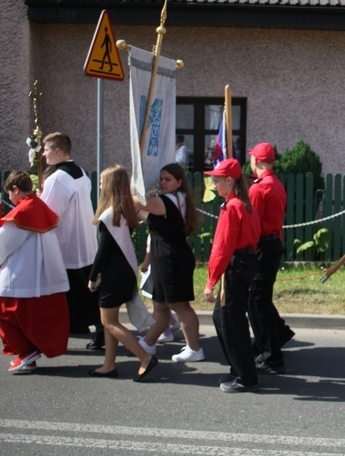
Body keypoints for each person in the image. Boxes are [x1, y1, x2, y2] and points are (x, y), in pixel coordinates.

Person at [0, 171, 70, 373]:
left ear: (15, 189)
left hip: (21, 273)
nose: (9, 198)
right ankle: (29, 353)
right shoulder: (41, 207)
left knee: (3, 312)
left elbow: (2, 244)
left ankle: (26, 352)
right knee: (37, 317)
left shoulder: (21, 212)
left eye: (9, 193)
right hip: (45, 274)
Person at [88, 165, 158, 381]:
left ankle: (144, 357)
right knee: (111, 322)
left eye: (102, 182)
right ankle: (109, 365)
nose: (99, 185)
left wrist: (92, 277)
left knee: (109, 323)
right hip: (123, 274)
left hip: (113, 276)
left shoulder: (109, 216)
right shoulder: (122, 214)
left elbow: (102, 252)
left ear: (109, 185)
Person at [134, 163, 204, 363]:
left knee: (180, 306)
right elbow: (145, 214)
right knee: (161, 306)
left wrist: (128, 187)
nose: (163, 183)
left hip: (172, 259)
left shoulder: (167, 200)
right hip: (166, 258)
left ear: (179, 182)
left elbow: (136, 203)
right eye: (161, 179)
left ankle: (194, 349)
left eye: (168, 179)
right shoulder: (175, 199)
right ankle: (149, 343)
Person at [204, 158, 261, 393]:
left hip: (235, 267)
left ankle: (246, 376)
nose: (214, 184)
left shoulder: (232, 207)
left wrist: (211, 280)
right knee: (223, 317)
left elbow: (222, 247)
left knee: (231, 321)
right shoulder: (244, 205)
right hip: (245, 264)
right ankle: (239, 366)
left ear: (229, 180)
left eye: (217, 180)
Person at [40, 132, 101, 347]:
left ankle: (101, 328)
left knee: (77, 288)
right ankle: (78, 323)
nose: (43, 154)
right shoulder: (81, 172)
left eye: (46, 149)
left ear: (57, 151)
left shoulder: (58, 178)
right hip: (84, 238)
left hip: (67, 242)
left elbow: (47, 213)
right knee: (81, 287)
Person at [247, 142, 294, 375]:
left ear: (255, 161)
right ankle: (278, 334)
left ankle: (271, 356)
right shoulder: (276, 184)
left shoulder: (258, 189)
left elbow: (252, 223)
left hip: (261, 246)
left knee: (257, 302)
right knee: (260, 299)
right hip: (272, 244)